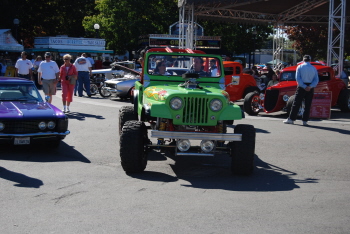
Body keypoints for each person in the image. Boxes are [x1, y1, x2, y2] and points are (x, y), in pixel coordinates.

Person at [283, 55, 319, 126]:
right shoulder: (314, 68)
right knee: (308, 104)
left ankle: (291, 119)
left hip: (302, 86)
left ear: (303, 60)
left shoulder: (300, 67)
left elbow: (298, 79)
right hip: (310, 87)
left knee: (296, 103)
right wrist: (310, 86)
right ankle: (305, 120)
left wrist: (304, 86)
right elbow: (316, 80)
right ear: (310, 60)